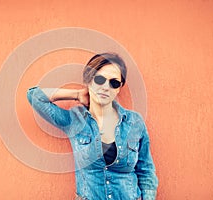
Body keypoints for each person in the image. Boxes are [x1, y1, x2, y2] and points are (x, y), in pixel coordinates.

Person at [27, 52, 158, 200]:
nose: (106, 87)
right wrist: (77, 94)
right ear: (89, 80)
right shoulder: (74, 120)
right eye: (100, 79)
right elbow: (35, 96)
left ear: (119, 88)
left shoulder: (134, 122)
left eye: (114, 83)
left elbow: (146, 171)